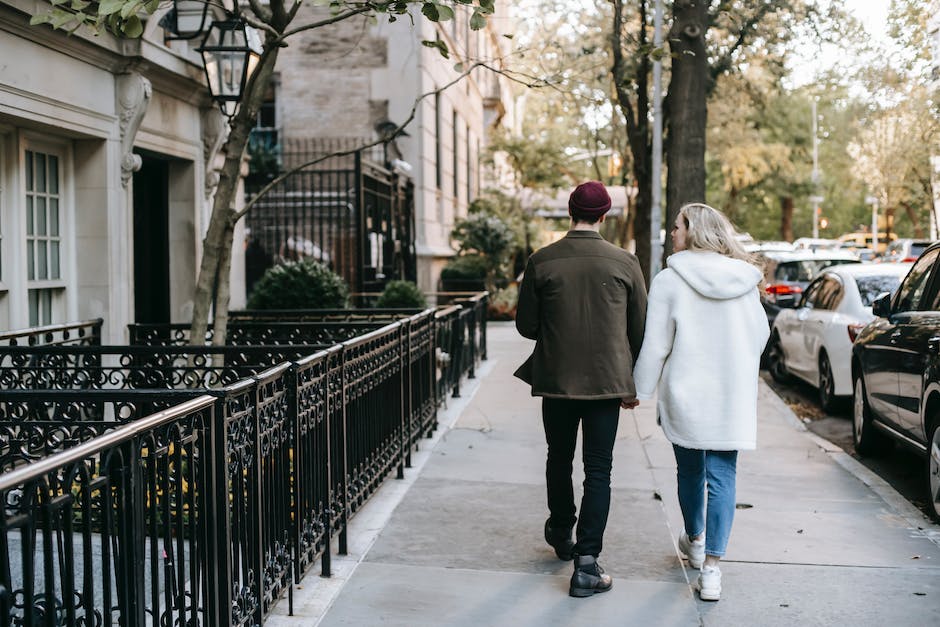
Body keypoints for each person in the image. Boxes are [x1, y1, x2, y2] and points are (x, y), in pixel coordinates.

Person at [514, 181, 648, 598]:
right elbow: (639, 330)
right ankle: (587, 564)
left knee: (558, 457)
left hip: (556, 380)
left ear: (571, 213)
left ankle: (560, 528)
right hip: (607, 383)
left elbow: (526, 326)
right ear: (605, 216)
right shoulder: (625, 262)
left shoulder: (542, 260)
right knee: (599, 470)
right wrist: (630, 381)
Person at [633, 202, 769, 602]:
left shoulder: (669, 280)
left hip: (685, 392)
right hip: (731, 393)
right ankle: (712, 570)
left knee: (690, 471)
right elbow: (759, 337)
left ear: (693, 231)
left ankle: (694, 539)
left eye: (676, 227)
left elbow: (656, 345)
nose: (671, 233)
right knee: (723, 476)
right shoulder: (744, 280)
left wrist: (639, 391)